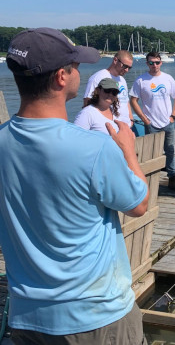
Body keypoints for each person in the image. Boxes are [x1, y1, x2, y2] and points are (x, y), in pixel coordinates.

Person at [0, 28, 149, 344]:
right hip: (95, 317)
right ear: (60, 78)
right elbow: (139, 204)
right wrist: (127, 150)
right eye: (76, 66)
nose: (81, 72)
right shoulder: (94, 148)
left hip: (27, 319)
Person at [130, 51, 175, 192]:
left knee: (170, 151)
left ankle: (172, 178)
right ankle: (150, 181)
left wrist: (173, 116)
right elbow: (133, 100)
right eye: (151, 62)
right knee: (151, 153)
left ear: (161, 63)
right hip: (151, 124)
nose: (154, 65)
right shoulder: (141, 80)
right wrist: (144, 119)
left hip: (168, 122)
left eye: (157, 62)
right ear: (147, 63)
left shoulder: (168, 79)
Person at [84, 50, 134, 126]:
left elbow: (126, 101)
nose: (126, 70)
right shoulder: (98, 77)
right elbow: (87, 102)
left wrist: (131, 120)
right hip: (109, 127)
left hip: (126, 126)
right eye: (124, 66)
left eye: (129, 68)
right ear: (115, 60)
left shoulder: (122, 80)